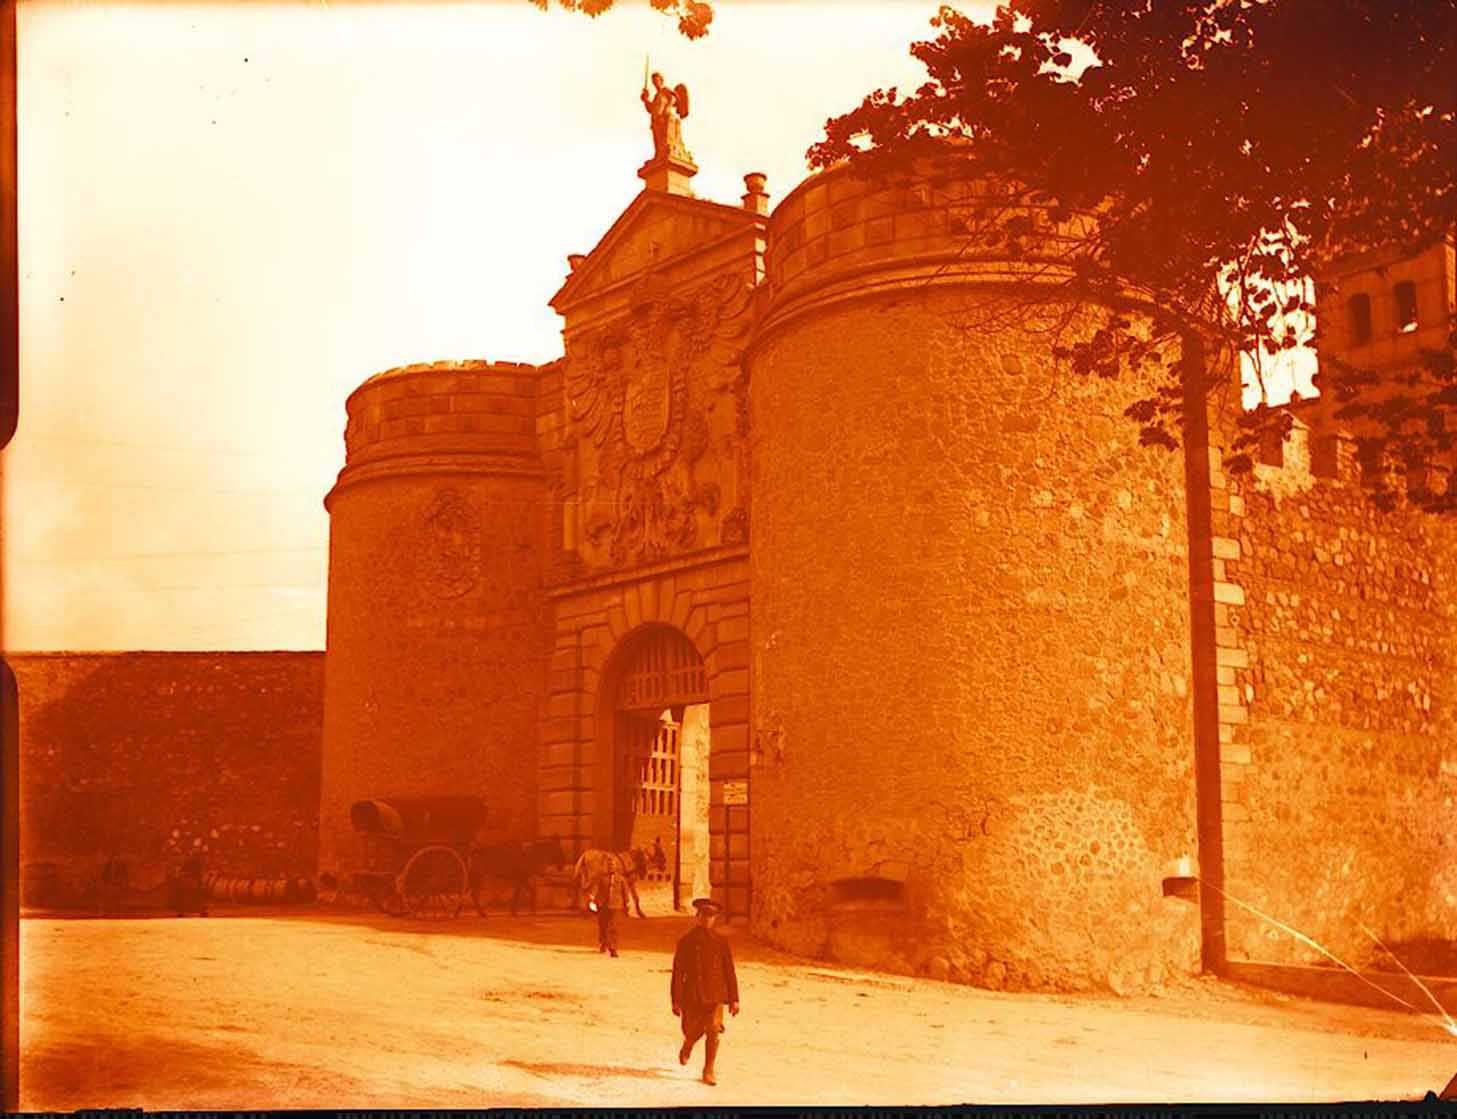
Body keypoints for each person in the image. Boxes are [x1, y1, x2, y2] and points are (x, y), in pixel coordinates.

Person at [670, 897, 739, 1086]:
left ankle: (708, 1069)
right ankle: (689, 1043)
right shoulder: (686, 941)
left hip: (716, 993)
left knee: (713, 1030)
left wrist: (734, 999)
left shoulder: (721, 942)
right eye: (704, 915)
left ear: (715, 919)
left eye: (711, 916)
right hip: (693, 993)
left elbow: (729, 970)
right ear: (697, 916)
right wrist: (675, 1000)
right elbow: (678, 973)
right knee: (693, 1029)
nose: (707, 919)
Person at [591, 859, 630, 957]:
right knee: (603, 926)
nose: (611, 867)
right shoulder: (602, 878)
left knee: (614, 927)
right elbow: (596, 889)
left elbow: (625, 892)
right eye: (609, 865)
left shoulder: (621, 879)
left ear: (616, 866)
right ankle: (603, 942)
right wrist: (592, 898)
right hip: (603, 905)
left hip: (616, 905)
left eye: (612, 865)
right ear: (607, 867)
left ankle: (613, 948)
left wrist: (627, 903)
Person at [98, 852, 129, 918]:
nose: (114, 858)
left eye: (116, 856)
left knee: (117, 898)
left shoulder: (121, 866)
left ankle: (118, 911)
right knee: (109, 896)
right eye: (113, 856)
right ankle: (108, 911)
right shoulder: (108, 865)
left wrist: (120, 882)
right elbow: (104, 876)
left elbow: (124, 876)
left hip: (118, 886)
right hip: (109, 886)